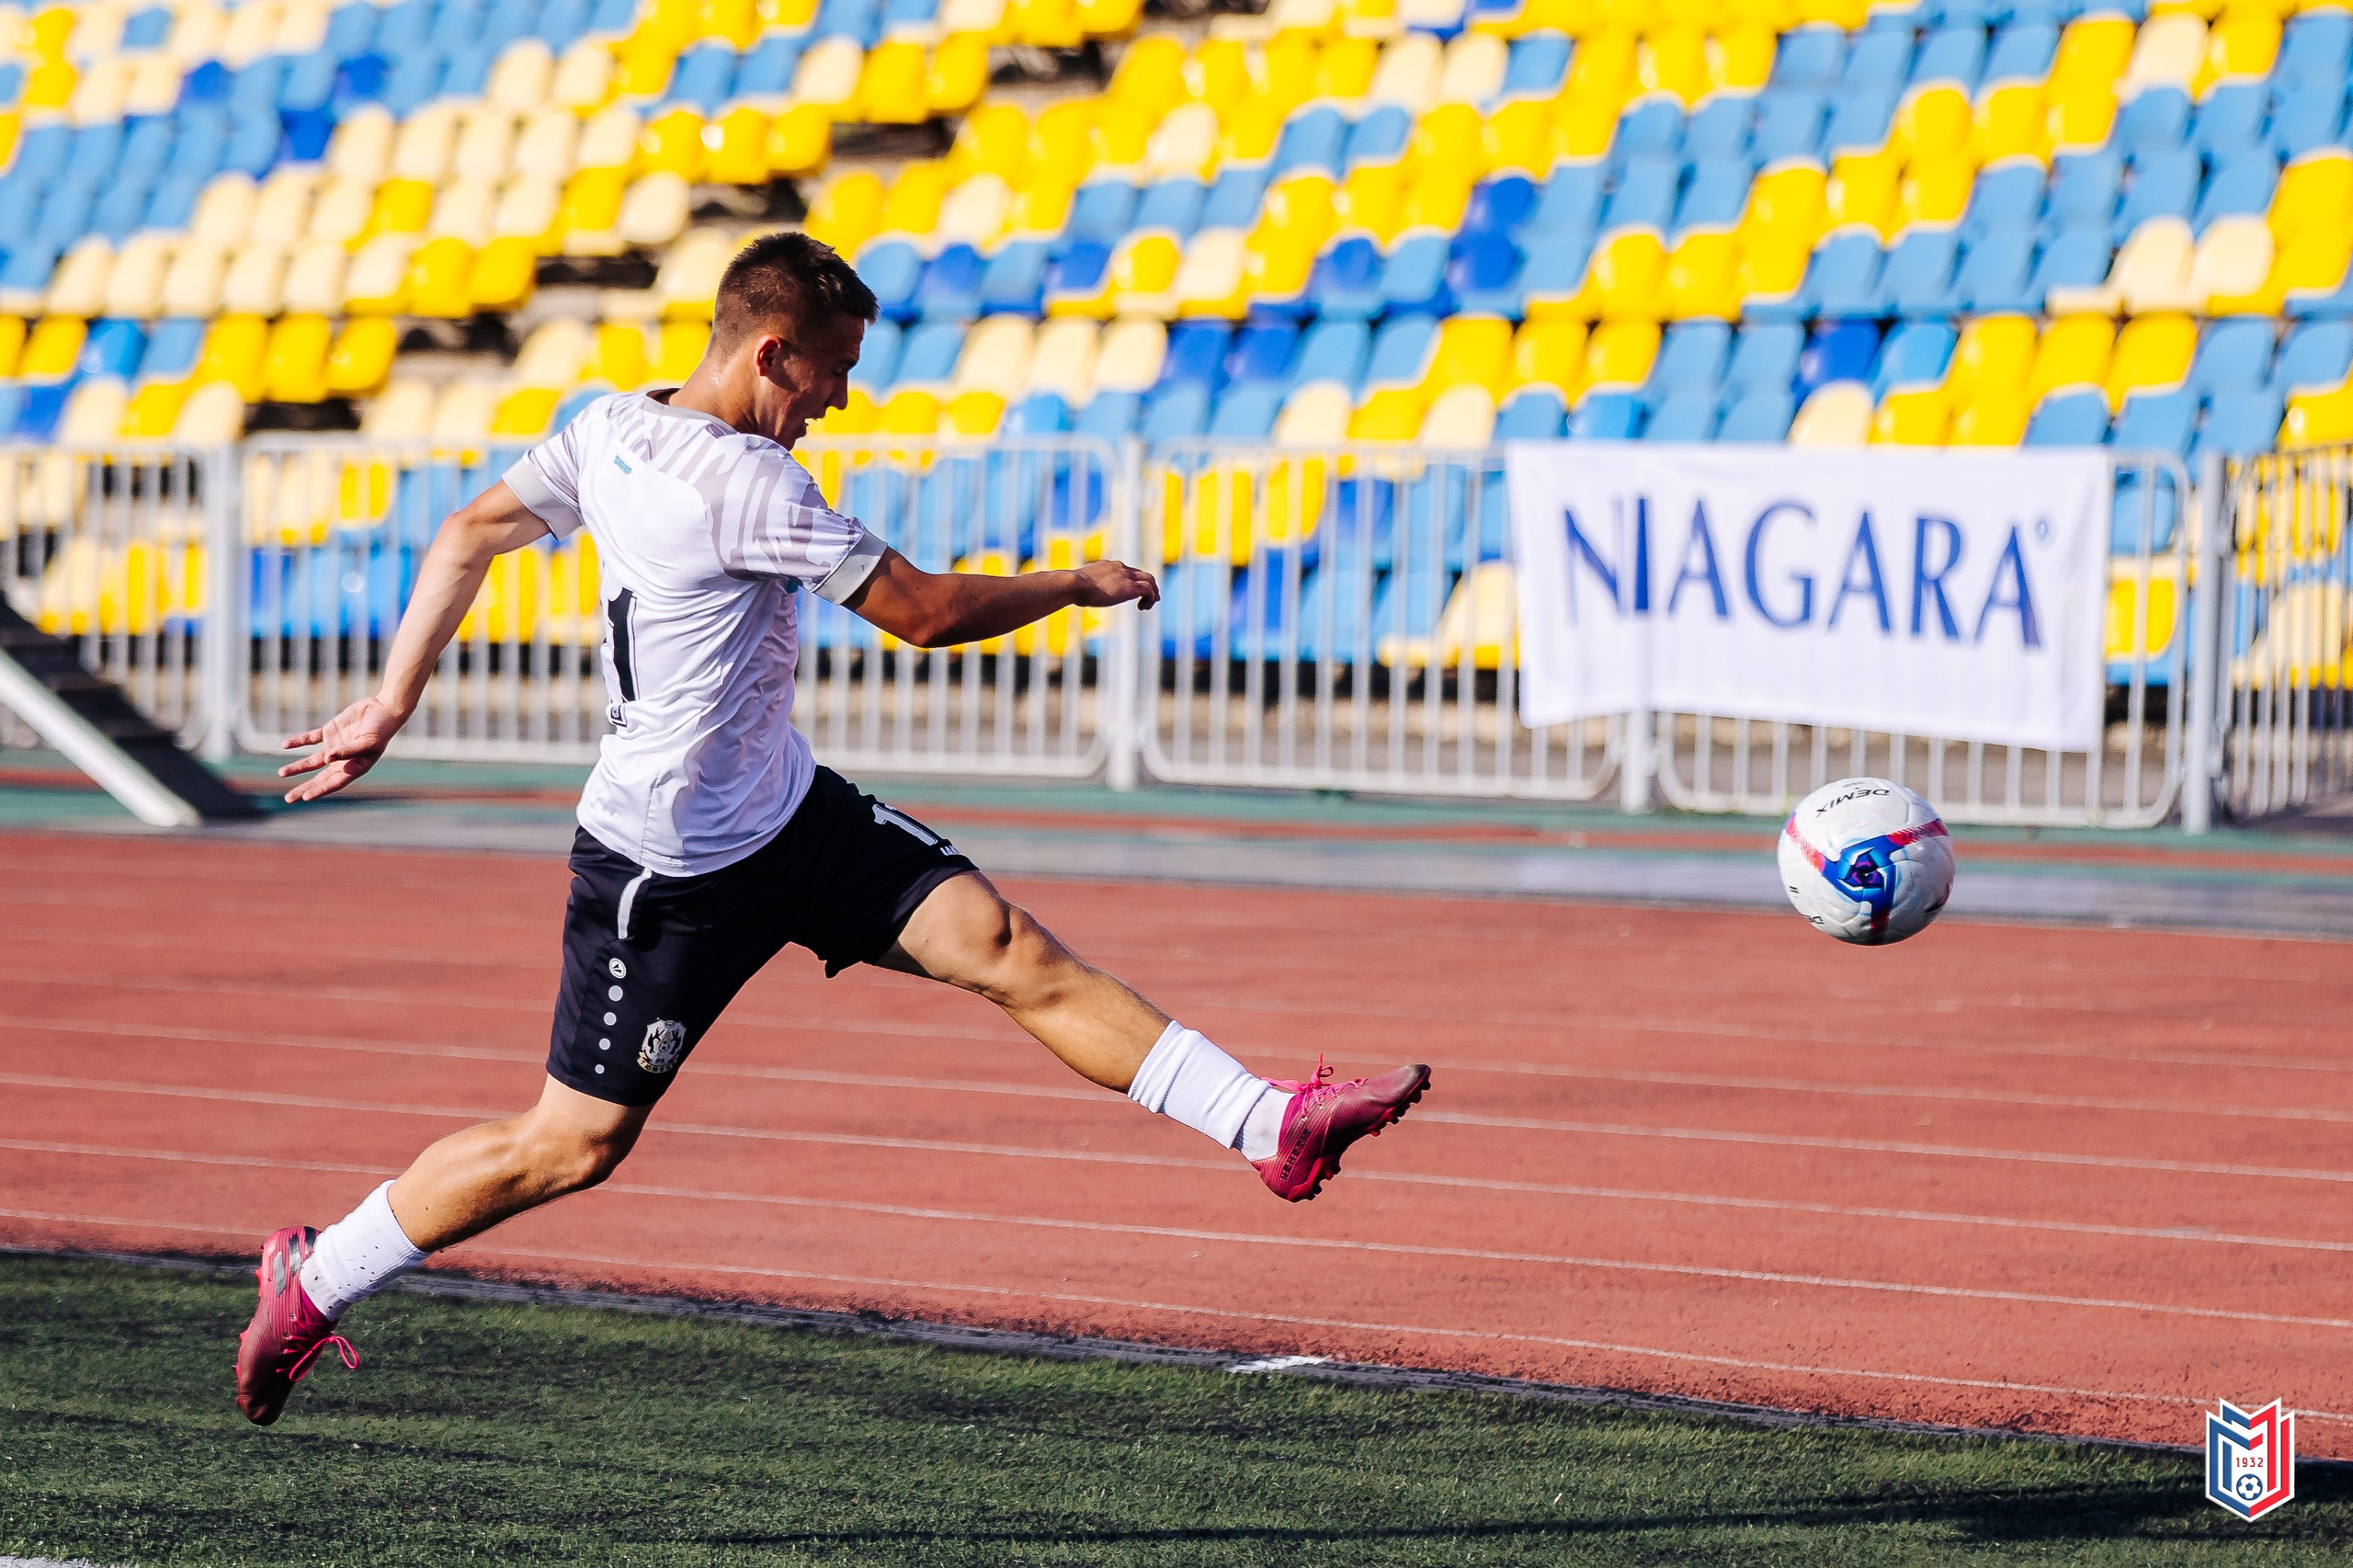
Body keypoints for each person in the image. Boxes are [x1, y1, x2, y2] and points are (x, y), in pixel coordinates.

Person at [234, 233, 1431, 1426]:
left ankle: (1269, 1123)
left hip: (789, 811)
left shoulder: (609, 427)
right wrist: (1070, 586)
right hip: (669, 870)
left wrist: (393, 699)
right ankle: (318, 1273)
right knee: (572, 1144)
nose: (840, 399)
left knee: (1015, 950)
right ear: (771, 353)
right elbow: (924, 613)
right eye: (832, 371)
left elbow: (466, 531)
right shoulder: (744, 481)